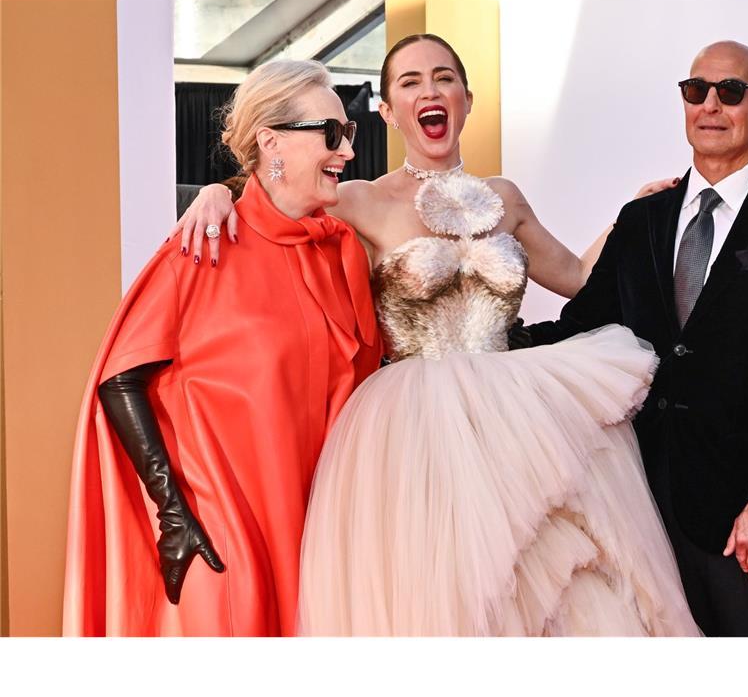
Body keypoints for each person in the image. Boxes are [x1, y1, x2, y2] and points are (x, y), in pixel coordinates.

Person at [176, 34, 699, 635]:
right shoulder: (356, 198)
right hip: (414, 427)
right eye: (410, 81)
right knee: (446, 596)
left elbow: (580, 277)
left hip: (516, 417)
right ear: (387, 111)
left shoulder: (505, 197)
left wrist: (630, 214)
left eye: (444, 77)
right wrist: (217, 192)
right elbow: (273, 204)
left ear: (467, 100)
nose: (430, 90)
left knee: (550, 588)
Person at [514, 41, 748, 636]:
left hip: (744, 521)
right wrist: (475, 343)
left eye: (731, 92)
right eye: (696, 91)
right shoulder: (642, 220)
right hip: (637, 507)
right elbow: (581, 330)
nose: (711, 106)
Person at [63, 60, 382, 636]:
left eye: (350, 133)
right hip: (226, 534)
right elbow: (120, 377)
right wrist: (174, 513)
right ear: (271, 142)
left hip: (322, 531)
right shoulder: (205, 242)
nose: (348, 152)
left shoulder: (343, 253)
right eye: (331, 135)